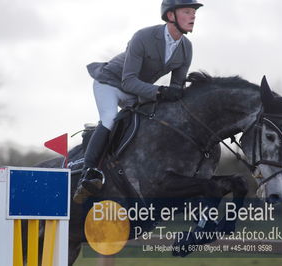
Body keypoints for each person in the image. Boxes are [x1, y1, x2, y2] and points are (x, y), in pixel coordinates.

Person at [73, 0, 203, 204]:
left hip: (136, 92)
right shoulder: (143, 37)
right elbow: (128, 80)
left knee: (149, 123)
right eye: (187, 11)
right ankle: (88, 173)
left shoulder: (186, 47)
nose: (193, 16)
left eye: (194, 12)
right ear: (171, 16)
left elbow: (176, 88)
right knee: (109, 118)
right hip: (111, 82)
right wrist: (160, 92)